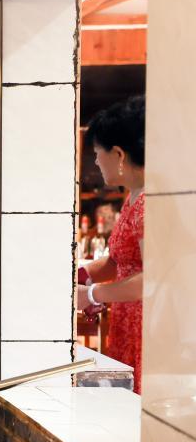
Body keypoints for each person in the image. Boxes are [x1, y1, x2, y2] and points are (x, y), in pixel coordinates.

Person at [76, 96, 145, 391]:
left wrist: (93, 294)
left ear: (118, 154)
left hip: (146, 328)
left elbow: (152, 279)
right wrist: (82, 276)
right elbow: (119, 260)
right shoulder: (133, 196)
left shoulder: (149, 203)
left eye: (97, 153)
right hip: (127, 322)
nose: (95, 161)